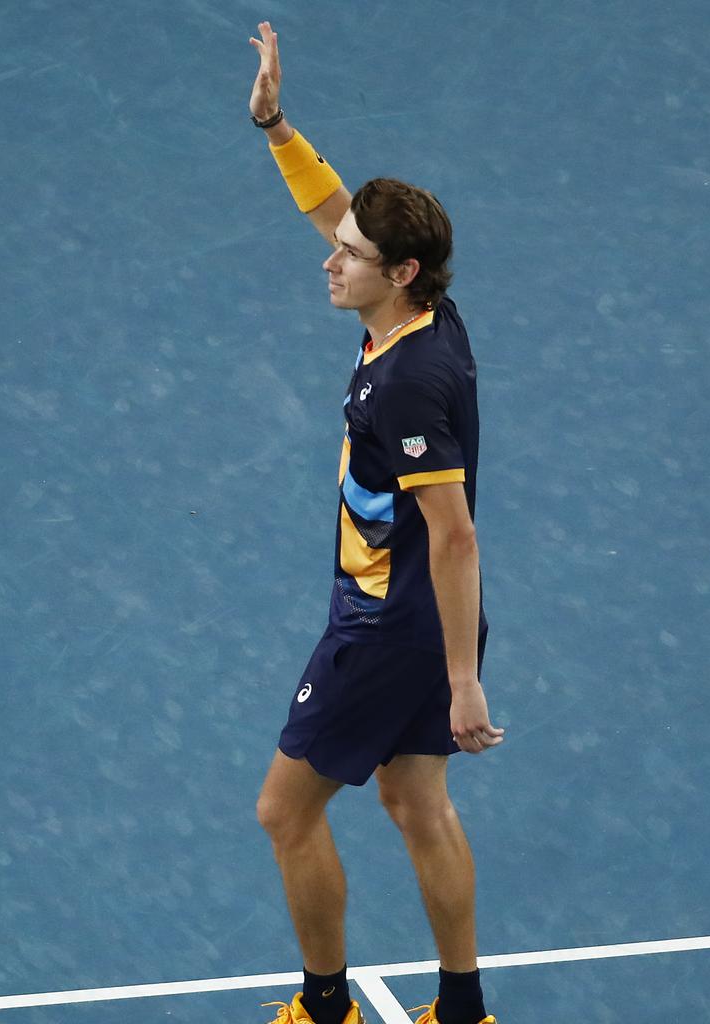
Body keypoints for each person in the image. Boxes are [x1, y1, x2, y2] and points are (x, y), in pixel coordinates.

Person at [249, 21, 504, 1024]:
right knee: (413, 801)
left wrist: (460, 678)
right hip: (418, 623)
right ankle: (464, 1007)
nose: (330, 259)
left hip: (388, 625)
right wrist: (279, 131)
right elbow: (330, 205)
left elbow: (454, 535)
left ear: (398, 270)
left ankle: (324, 1008)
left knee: (284, 812)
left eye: (351, 255)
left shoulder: (402, 387)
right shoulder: (429, 306)